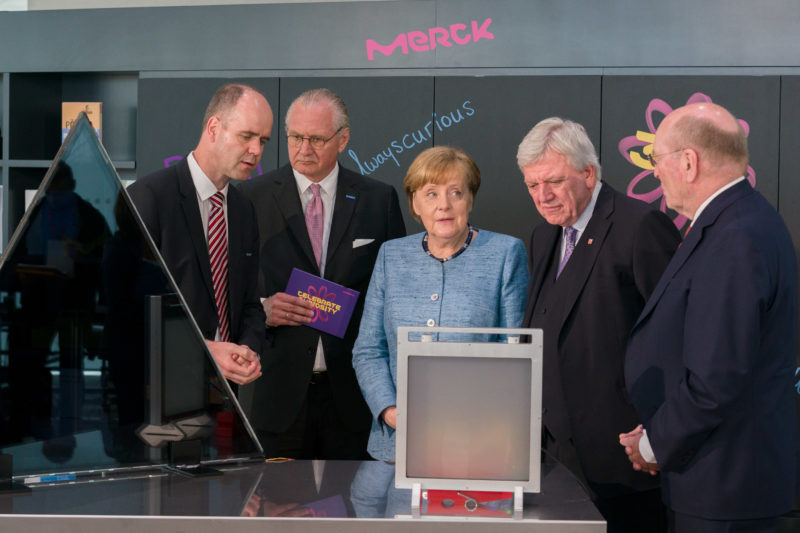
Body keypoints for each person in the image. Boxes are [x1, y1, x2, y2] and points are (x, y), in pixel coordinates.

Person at [621, 102, 799, 532]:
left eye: (656, 160)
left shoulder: (736, 238)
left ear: (688, 161)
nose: (656, 172)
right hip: (717, 477)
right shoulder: (739, 222)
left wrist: (653, 442)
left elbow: (716, 379)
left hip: (725, 486)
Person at [518, 117, 680, 532]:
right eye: (533, 185)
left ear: (588, 173)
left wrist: (656, 436)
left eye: (553, 181)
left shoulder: (639, 226)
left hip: (623, 464)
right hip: (551, 461)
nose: (543, 195)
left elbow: (677, 339)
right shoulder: (543, 236)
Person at [239, 88, 406, 459]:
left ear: (342, 139)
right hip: (275, 392)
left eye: (316, 139)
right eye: (296, 137)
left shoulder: (379, 201)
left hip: (354, 395)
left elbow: (397, 298)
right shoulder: (249, 199)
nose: (304, 148)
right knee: (276, 508)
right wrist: (263, 309)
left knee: (357, 511)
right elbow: (227, 291)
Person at [352, 145, 529, 462]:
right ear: (414, 203)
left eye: (456, 193)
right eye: (431, 194)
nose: (443, 205)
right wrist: (391, 411)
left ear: (470, 199)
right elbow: (368, 348)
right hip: (397, 445)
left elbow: (514, 352)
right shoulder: (391, 256)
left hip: (480, 446)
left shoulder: (505, 254)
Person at [128, 83, 269, 386]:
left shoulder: (244, 209)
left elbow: (249, 304)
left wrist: (248, 350)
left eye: (263, 140)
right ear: (214, 128)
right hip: (159, 390)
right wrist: (204, 350)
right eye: (246, 136)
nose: (256, 151)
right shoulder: (148, 197)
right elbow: (127, 311)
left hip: (225, 397)